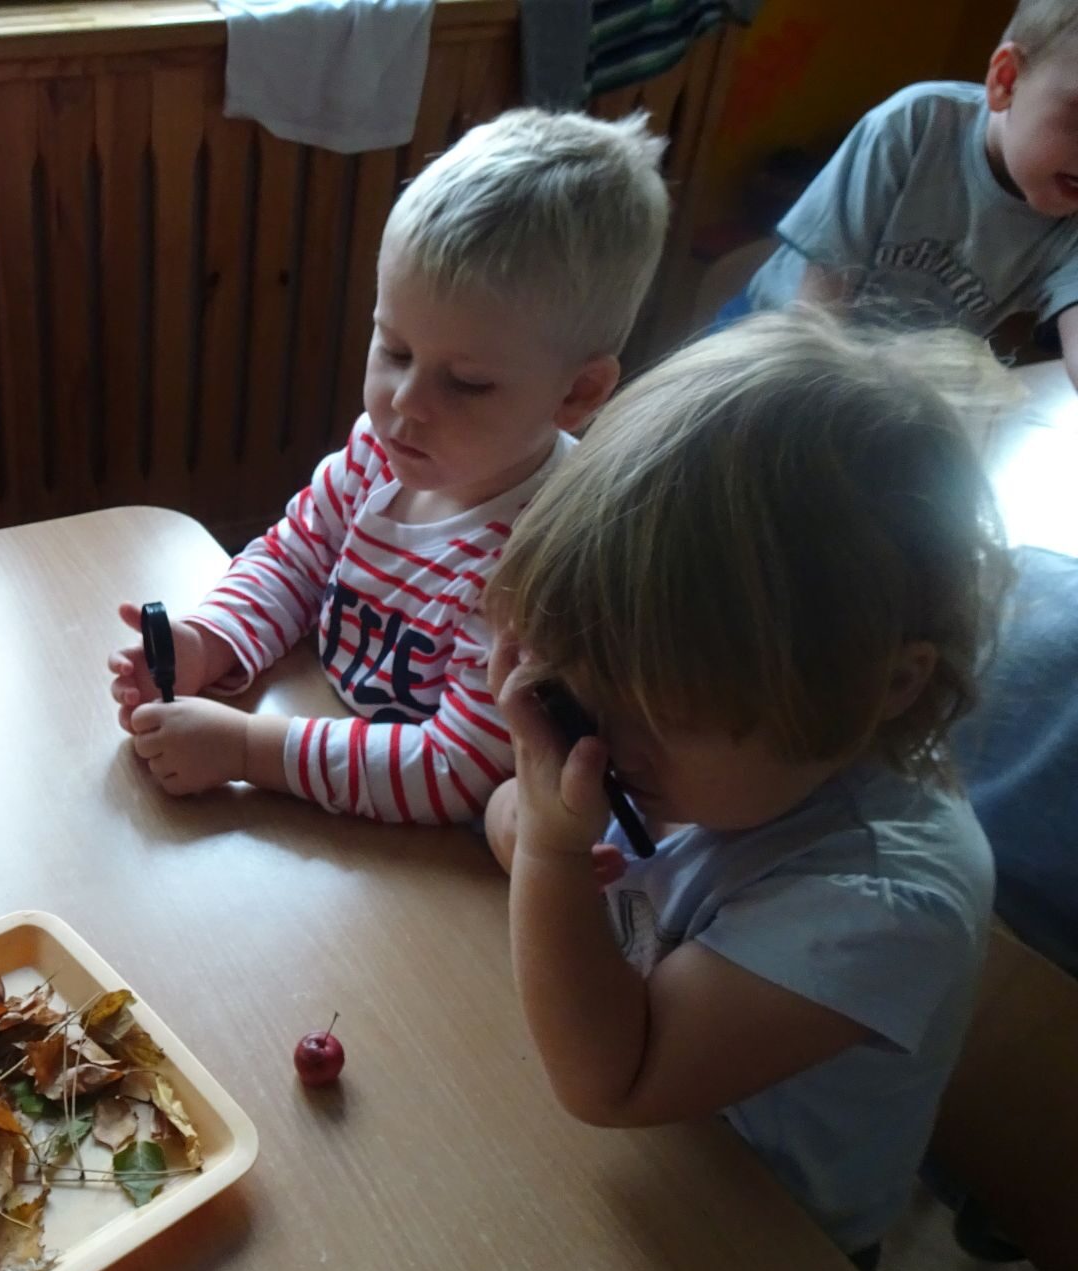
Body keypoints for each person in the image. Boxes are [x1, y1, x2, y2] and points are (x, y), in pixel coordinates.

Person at [484, 309, 1011, 1262]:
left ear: (888, 684)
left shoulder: (882, 900)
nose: (604, 743)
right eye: (584, 695)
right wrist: (541, 801)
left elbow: (614, 1082)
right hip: (652, 1164)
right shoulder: (721, 760)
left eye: (660, 714)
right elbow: (505, 824)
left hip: (772, 1260)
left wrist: (557, 856)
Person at [107, 109, 669, 821]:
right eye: (395, 350)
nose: (405, 401)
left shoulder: (546, 561)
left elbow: (461, 770)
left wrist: (250, 750)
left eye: (466, 383)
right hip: (340, 778)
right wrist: (210, 641)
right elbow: (295, 562)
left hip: (443, 856)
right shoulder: (380, 452)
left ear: (577, 394)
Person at [736, 0, 1078, 391]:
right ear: (1007, 80)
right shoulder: (915, 125)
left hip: (884, 382)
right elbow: (815, 311)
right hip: (774, 341)